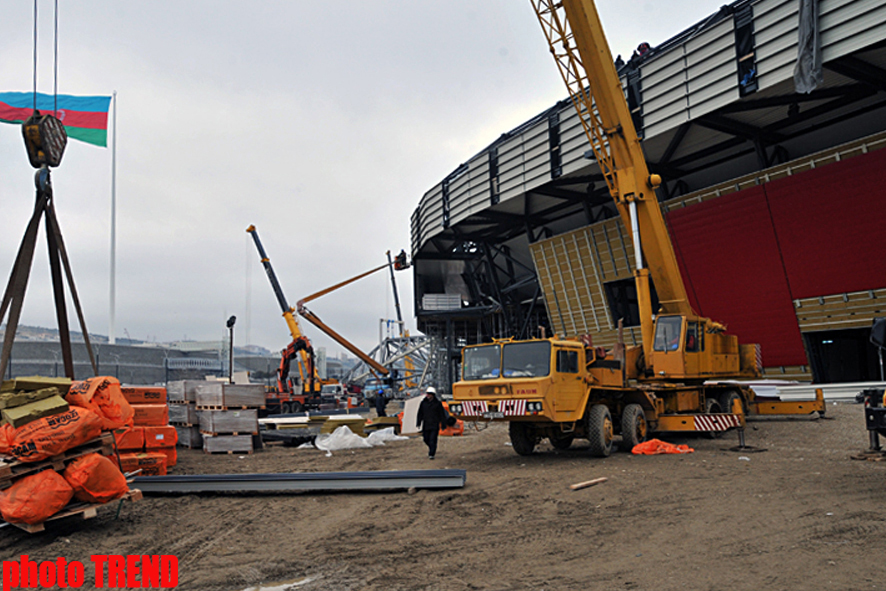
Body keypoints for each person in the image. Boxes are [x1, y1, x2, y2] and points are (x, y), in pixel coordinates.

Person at [416, 387, 447, 460]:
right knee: (426, 439)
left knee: (432, 439)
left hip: (434, 425)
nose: (428, 395)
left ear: (433, 395)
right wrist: (418, 422)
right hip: (426, 424)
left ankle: (431, 453)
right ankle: (432, 447)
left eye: (429, 394)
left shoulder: (437, 403)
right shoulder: (423, 403)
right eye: (427, 394)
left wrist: (443, 424)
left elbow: (441, 414)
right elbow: (420, 413)